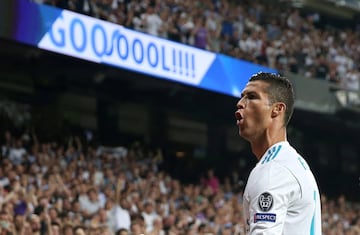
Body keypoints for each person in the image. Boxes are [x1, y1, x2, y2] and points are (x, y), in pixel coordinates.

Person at [234, 72, 322, 234]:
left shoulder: (274, 170)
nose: (240, 103)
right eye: (242, 97)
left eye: (252, 97)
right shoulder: (288, 161)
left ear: (277, 109)